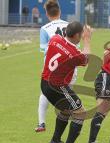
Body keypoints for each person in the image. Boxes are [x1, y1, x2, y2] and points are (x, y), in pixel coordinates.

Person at [41, 21, 92, 143]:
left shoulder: (55, 39)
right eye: (80, 35)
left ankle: (55, 141)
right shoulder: (74, 53)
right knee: (80, 113)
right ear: (76, 35)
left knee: (65, 110)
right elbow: (86, 59)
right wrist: (87, 40)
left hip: (45, 83)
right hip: (57, 87)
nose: (81, 37)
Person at [35, 0, 78, 132]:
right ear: (59, 11)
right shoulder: (70, 25)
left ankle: (41, 123)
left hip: (52, 69)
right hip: (70, 69)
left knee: (45, 94)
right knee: (65, 99)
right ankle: (58, 134)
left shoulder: (45, 29)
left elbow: (44, 51)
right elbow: (77, 47)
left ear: (47, 14)